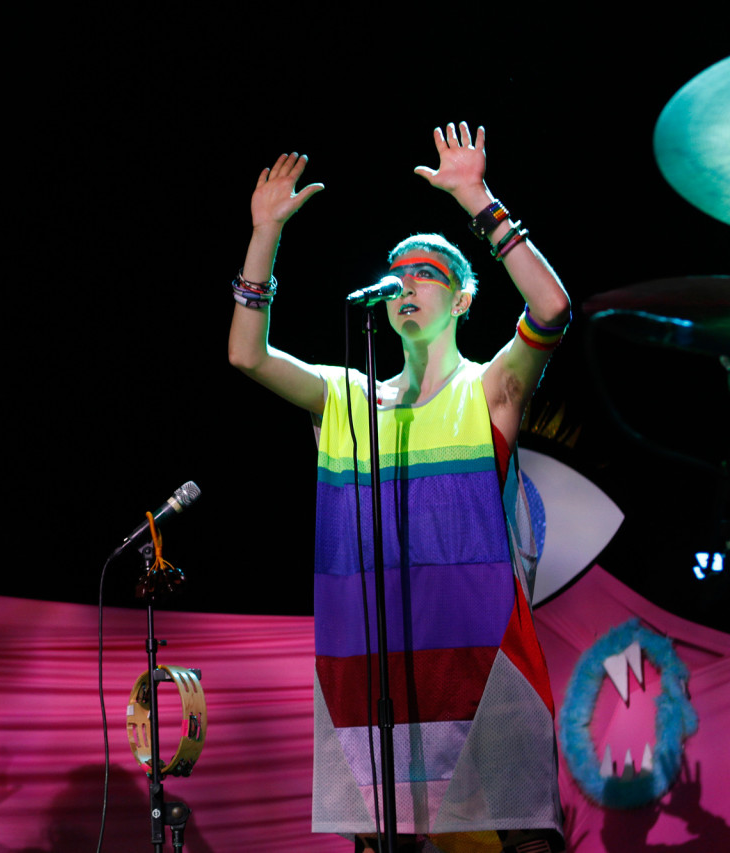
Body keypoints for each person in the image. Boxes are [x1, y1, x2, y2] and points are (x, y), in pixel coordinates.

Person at [228, 124, 570, 853]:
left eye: (427, 271)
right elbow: (245, 355)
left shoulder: (489, 391)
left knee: (521, 844)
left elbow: (551, 309)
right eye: (397, 272)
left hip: (486, 671)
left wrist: (480, 202)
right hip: (378, 676)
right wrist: (266, 236)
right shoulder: (348, 398)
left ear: (462, 297)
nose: (407, 281)